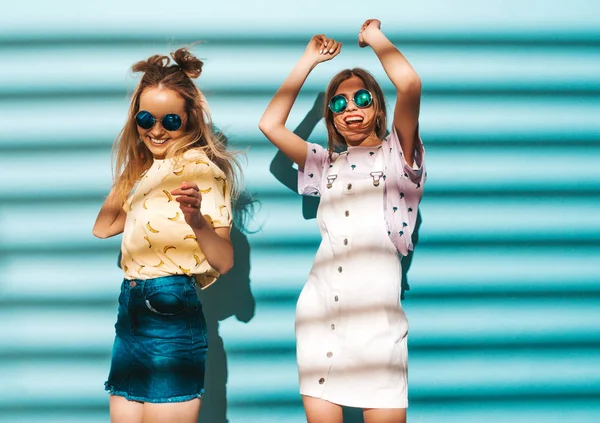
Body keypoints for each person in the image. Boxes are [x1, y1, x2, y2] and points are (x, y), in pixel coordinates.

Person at [259, 19, 425, 423]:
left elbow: (410, 85)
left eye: (362, 98)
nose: (351, 109)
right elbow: (269, 125)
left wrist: (374, 38)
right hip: (320, 318)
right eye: (339, 103)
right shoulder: (323, 163)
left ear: (378, 107)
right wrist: (308, 61)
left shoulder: (397, 158)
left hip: (379, 329)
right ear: (330, 117)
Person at [92, 47, 241, 423]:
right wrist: (138, 164)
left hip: (170, 308)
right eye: (145, 118)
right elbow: (103, 227)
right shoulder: (146, 171)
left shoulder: (204, 170)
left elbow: (224, 261)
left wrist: (196, 220)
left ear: (189, 120)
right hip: (131, 309)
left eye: (170, 120)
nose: (156, 130)